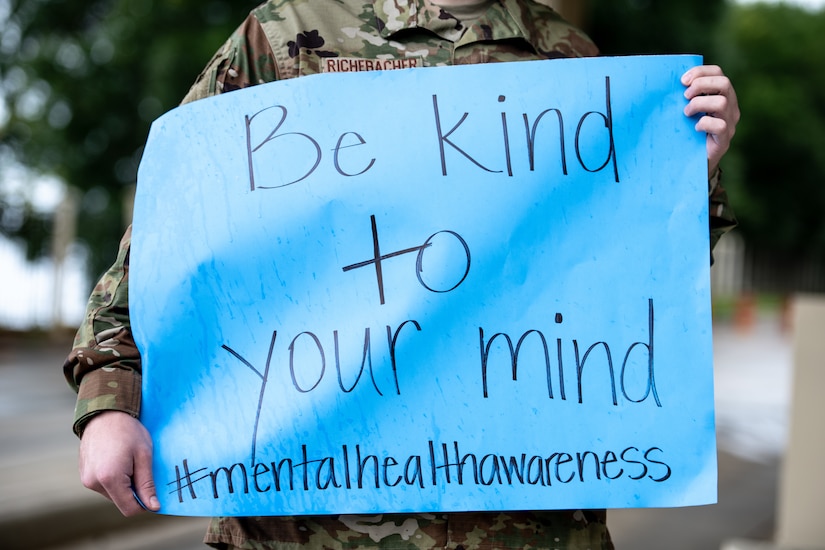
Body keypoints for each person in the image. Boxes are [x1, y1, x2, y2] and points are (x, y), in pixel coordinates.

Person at [63, 0, 740, 548]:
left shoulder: (570, 60)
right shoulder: (284, 33)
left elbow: (625, 282)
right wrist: (108, 399)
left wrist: (689, 172)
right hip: (303, 524)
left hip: (526, 521)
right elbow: (168, 239)